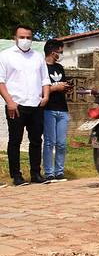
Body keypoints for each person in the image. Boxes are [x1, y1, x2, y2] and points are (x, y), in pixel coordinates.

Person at [0, 25, 50, 186]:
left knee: (36, 140)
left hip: (36, 104)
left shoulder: (37, 56)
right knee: (15, 141)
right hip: (16, 105)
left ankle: (36, 173)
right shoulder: (6, 56)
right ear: (15, 38)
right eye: (22, 37)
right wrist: (9, 101)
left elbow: (45, 79)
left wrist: (46, 96)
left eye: (28, 37)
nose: (25, 40)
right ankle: (17, 176)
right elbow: (1, 81)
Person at [43, 39, 71, 182]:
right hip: (48, 109)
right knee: (49, 142)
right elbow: (41, 89)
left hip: (62, 109)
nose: (62, 54)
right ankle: (49, 173)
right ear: (53, 52)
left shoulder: (60, 68)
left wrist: (65, 88)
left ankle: (60, 172)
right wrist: (55, 88)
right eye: (60, 52)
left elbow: (62, 85)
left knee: (61, 143)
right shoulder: (41, 68)